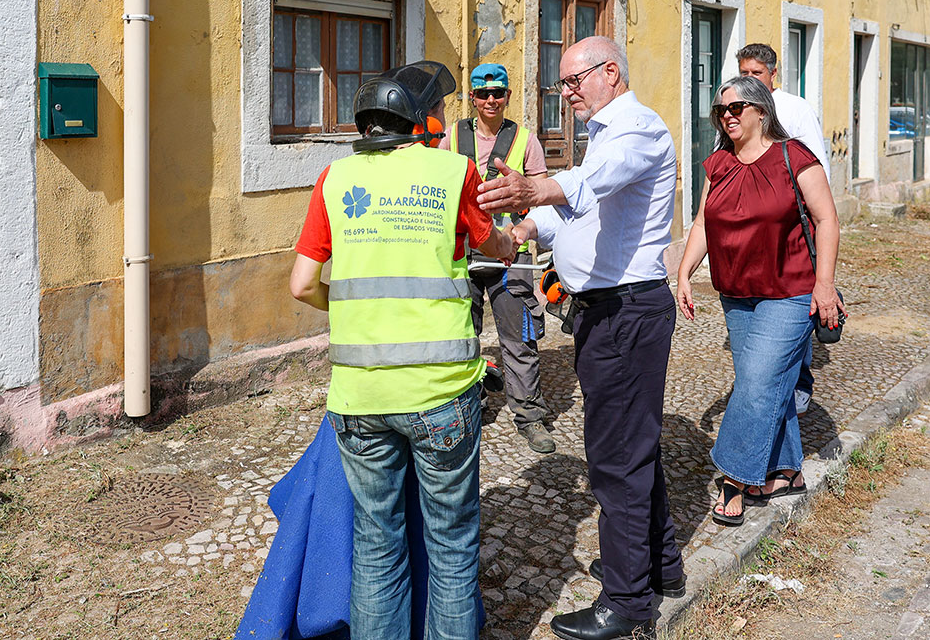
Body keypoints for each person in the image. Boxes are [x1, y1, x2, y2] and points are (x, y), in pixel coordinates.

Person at [288, 60, 515, 639]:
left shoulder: (334, 179)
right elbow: (493, 243)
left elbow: (301, 283)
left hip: (360, 396)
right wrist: (509, 241)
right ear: (419, 121)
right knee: (452, 546)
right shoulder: (452, 172)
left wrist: (346, 304)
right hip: (441, 393)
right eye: (436, 112)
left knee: (376, 544)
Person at [477, 36, 685, 640]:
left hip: (625, 311)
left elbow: (586, 184)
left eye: (574, 80)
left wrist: (535, 190)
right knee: (634, 445)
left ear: (610, 73)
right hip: (607, 312)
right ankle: (657, 565)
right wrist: (521, 228)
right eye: (561, 83)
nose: (565, 93)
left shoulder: (636, 129)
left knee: (616, 459)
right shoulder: (602, 134)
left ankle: (625, 602)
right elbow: (574, 209)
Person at [675, 76, 843, 527]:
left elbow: (827, 219)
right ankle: (786, 471)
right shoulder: (718, 165)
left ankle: (734, 475)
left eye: (735, 108)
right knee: (766, 382)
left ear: (761, 110)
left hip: (790, 291)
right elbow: (702, 226)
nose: (726, 116)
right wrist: (684, 273)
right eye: (720, 111)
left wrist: (824, 284)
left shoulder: (794, 157)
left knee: (754, 383)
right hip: (736, 293)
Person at [439, 62, 555, 454]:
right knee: (458, 335)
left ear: (507, 96)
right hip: (462, 254)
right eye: (483, 93)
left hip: (511, 257)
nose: (491, 100)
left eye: (498, 93)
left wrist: (527, 233)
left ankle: (530, 415)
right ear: (471, 98)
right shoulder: (452, 137)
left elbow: (541, 198)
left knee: (519, 337)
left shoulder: (525, 140)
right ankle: (466, 406)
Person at [737, 42, 830, 421]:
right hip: (752, 232)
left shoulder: (796, 109)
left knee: (795, 303)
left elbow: (816, 165)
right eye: (743, 73)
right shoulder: (735, 109)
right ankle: (764, 389)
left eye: (755, 74)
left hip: (793, 227)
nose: (748, 80)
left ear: (773, 74)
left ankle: (800, 384)